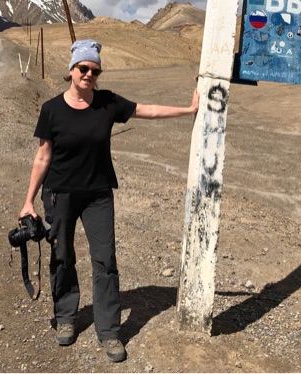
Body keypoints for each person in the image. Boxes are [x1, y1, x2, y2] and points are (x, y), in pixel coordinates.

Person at [18, 39, 198, 363]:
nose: (89, 74)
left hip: (98, 195)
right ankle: (66, 317)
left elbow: (147, 110)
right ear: (71, 69)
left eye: (95, 70)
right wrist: (28, 200)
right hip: (59, 194)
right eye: (83, 68)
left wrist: (188, 110)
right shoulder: (51, 109)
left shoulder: (108, 103)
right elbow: (43, 157)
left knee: (105, 261)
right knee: (62, 256)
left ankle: (109, 331)